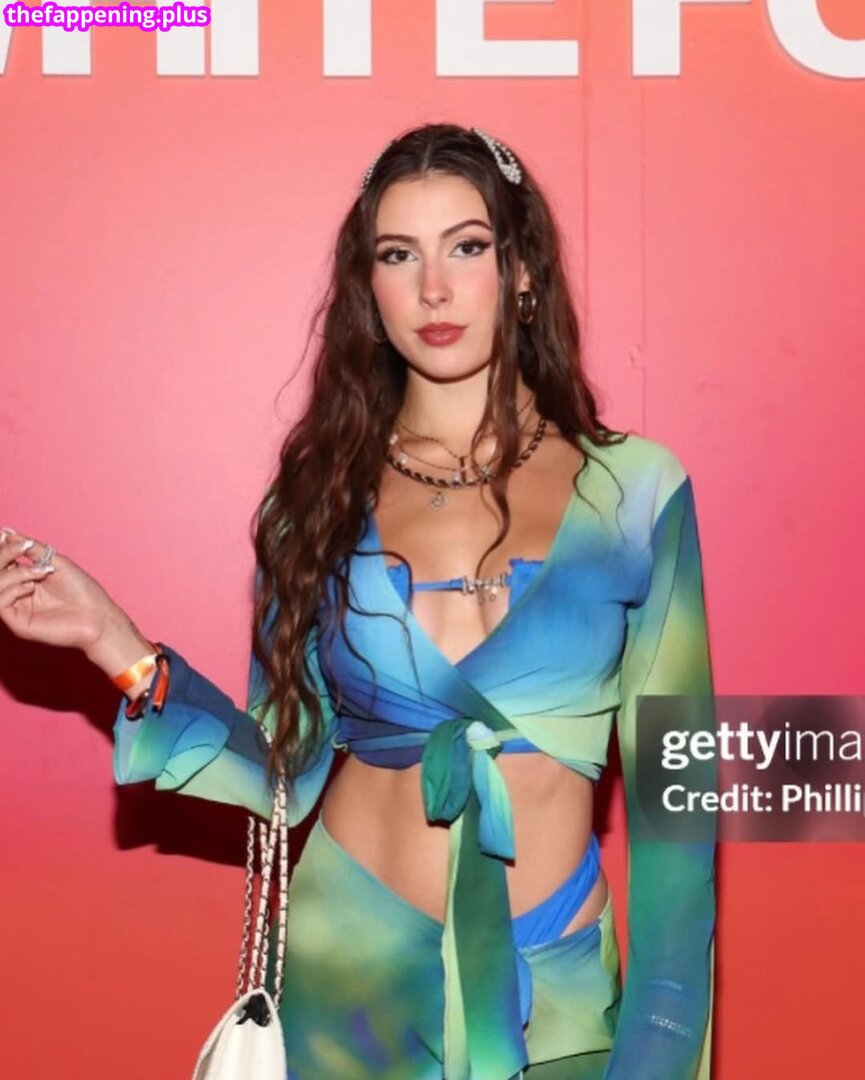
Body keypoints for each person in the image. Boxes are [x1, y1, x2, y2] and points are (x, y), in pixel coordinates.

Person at [0, 123, 716, 1079]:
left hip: (556, 984)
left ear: (521, 271)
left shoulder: (637, 490)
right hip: (352, 972)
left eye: (467, 246)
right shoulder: (315, 500)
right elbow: (282, 767)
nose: (434, 289)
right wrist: (115, 643)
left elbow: (678, 804)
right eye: (398, 255)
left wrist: (663, 1037)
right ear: (368, 294)